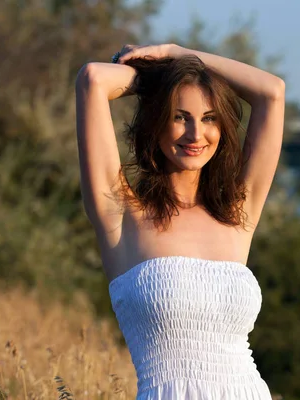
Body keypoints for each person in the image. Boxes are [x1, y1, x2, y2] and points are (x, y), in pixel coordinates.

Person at [75, 43, 285, 399]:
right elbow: (93, 79)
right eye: (178, 116)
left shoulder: (238, 214)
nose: (195, 134)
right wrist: (164, 80)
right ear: (156, 122)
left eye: (209, 118)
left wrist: (177, 53)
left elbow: (271, 92)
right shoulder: (122, 216)